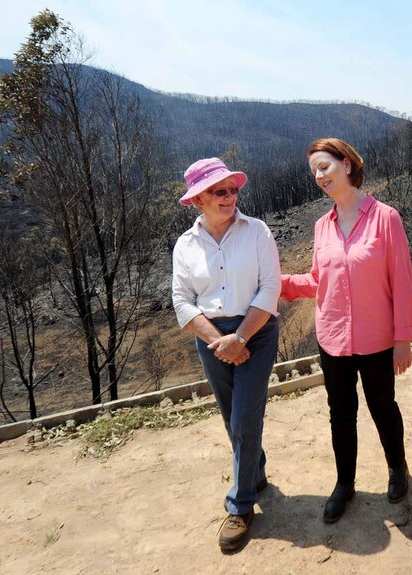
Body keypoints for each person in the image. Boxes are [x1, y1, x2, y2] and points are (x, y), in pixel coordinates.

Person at [281, 138, 412, 523]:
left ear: (346, 164)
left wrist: (402, 339)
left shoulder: (384, 218)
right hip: (333, 339)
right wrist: (278, 284)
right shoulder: (321, 226)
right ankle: (345, 483)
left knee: (382, 408)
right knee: (340, 413)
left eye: (324, 167)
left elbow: (402, 282)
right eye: (314, 172)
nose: (319, 177)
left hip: (377, 339)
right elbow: (318, 279)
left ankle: (397, 468)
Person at [171, 157, 281, 551]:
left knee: (243, 416)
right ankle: (256, 470)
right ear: (198, 198)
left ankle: (240, 504)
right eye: (220, 191)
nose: (230, 196)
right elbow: (182, 301)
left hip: (258, 331)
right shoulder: (185, 245)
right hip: (212, 337)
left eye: (233, 189)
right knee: (230, 412)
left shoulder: (257, 232)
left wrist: (241, 339)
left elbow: (270, 288)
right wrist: (220, 341)